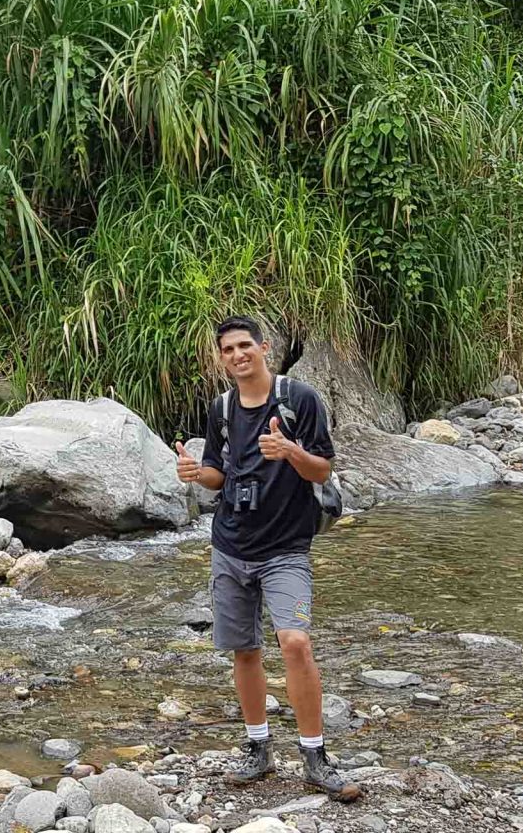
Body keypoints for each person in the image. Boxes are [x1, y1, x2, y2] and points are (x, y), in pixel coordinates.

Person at [174, 316, 361, 802]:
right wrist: (197, 473)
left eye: (245, 346)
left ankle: (315, 756)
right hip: (231, 546)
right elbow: (219, 473)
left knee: (295, 641)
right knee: (245, 649)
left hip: (286, 549)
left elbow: (322, 468)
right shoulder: (220, 408)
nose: (238, 355)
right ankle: (258, 748)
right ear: (221, 358)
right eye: (228, 349)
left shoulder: (299, 399)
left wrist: (288, 450)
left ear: (264, 347)